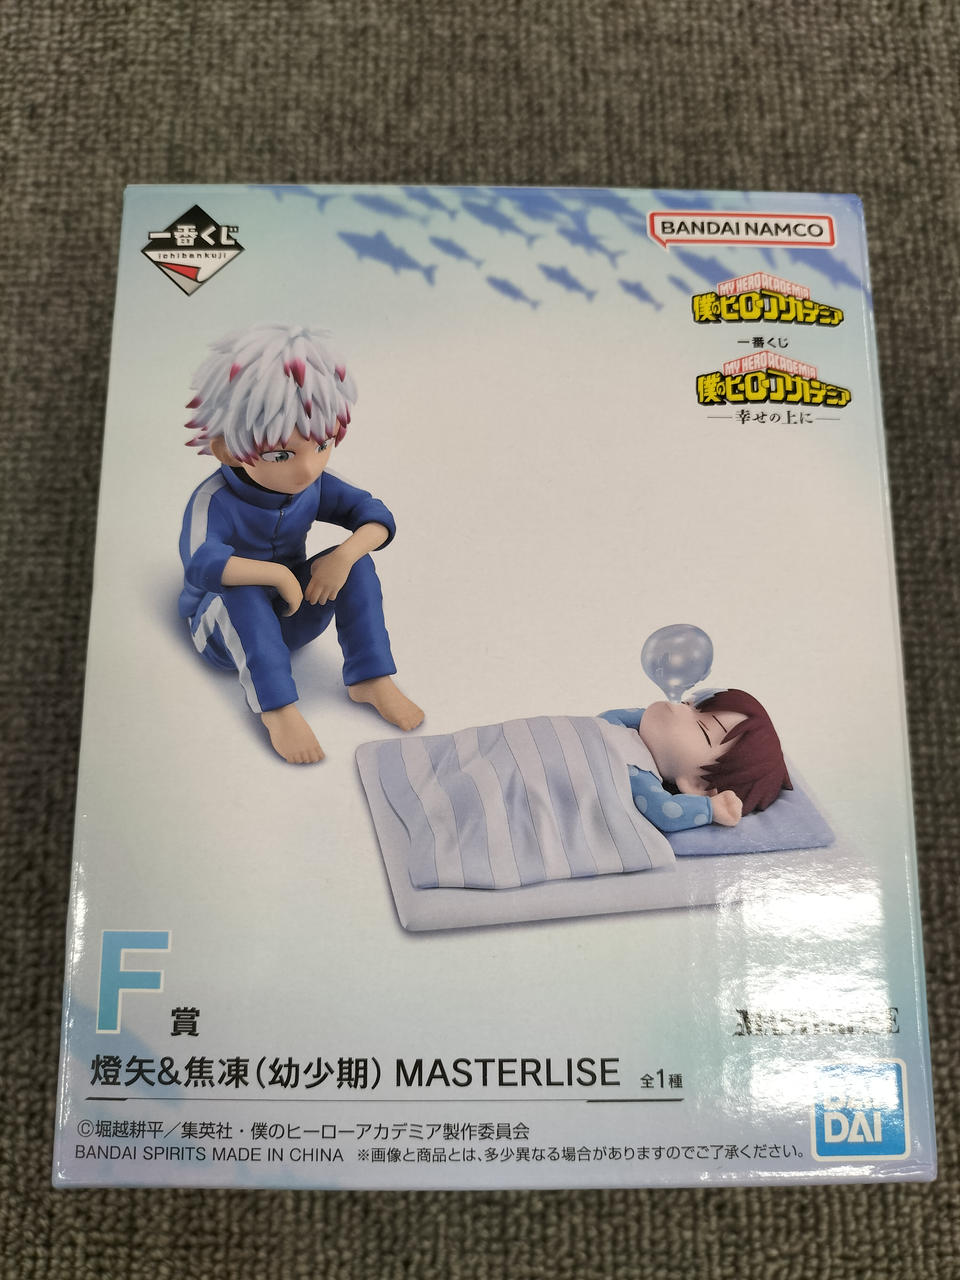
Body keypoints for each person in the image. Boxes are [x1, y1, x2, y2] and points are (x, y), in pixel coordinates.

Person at [178, 323, 423, 764]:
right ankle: (278, 709)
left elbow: (376, 516)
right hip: (222, 633)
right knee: (242, 592)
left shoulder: (313, 483)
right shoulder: (213, 501)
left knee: (357, 564)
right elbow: (201, 562)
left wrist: (344, 556)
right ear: (228, 450)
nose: (307, 469)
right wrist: (274, 575)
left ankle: (370, 677)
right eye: (281, 455)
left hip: (293, 615)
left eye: (323, 445)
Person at [599, 690, 790, 832]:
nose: (676, 706)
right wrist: (656, 717)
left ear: (697, 785)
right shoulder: (622, 727)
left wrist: (711, 808)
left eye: (702, 727)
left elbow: (666, 813)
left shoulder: (640, 774)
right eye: (688, 704)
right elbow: (607, 719)